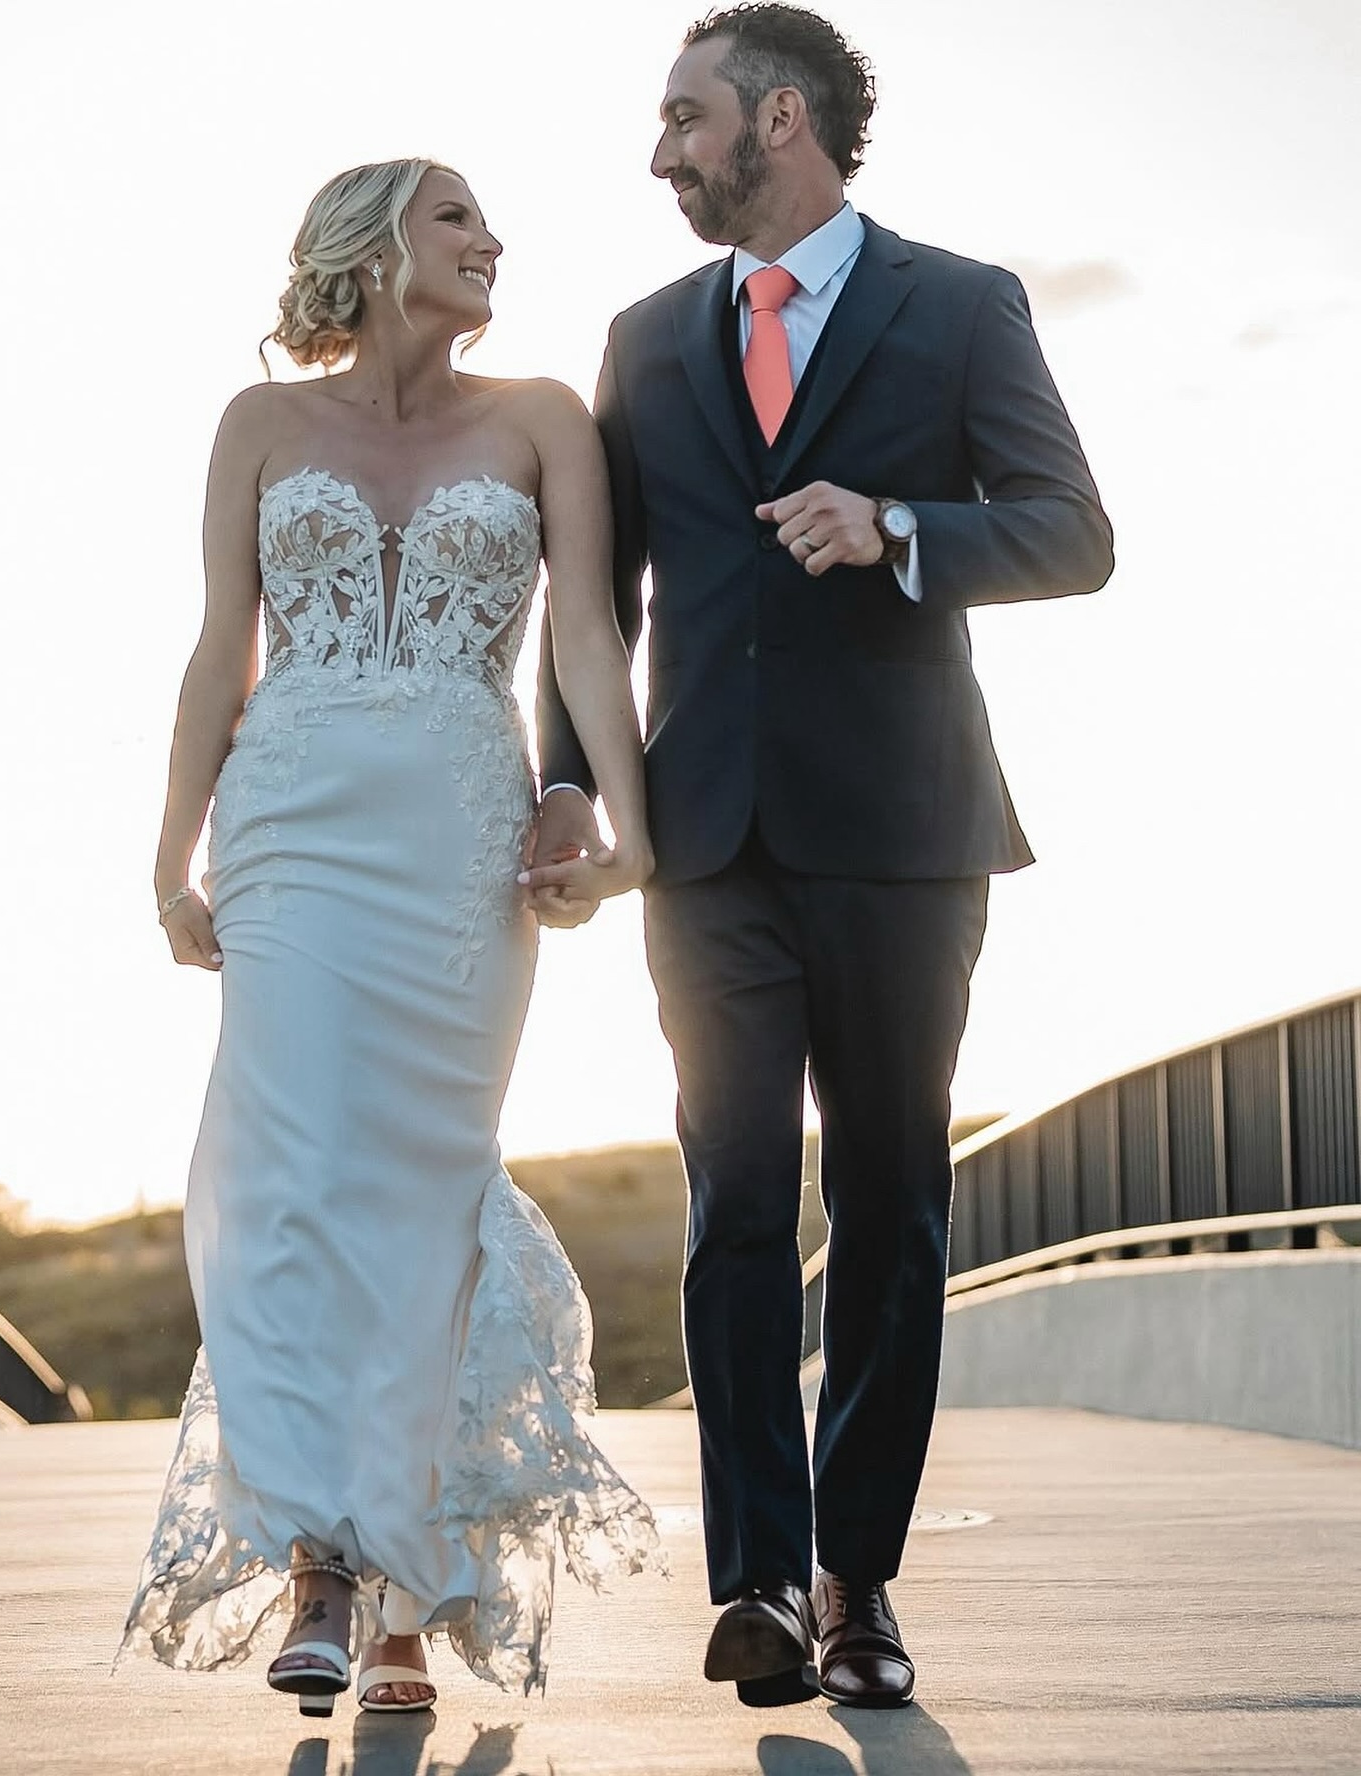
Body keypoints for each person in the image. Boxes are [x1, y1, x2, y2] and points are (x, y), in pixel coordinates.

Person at [523, 3, 1113, 1710]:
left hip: (904, 838)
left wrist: (900, 527)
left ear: (780, 120)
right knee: (730, 1210)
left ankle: (860, 1580)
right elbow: (596, 607)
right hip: (703, 845)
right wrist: (574, 787)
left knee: (892, 1208)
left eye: (683, 117)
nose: (660, 154)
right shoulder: (643, 338)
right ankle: (763, 1583)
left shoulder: (963, 304)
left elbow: (1075, 533)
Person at [117, 158, 660, 1716]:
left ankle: (408, 1594)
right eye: (458, 218)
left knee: (421, 1190)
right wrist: (172, 859)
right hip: (287, 824)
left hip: (457, 837)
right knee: (281, 1175)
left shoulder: (545, 414)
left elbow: (584, 635)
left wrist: (621, 827)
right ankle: (322, 1568)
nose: (494, 241)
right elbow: (220, 646)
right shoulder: (259, 426)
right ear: (368, 250)